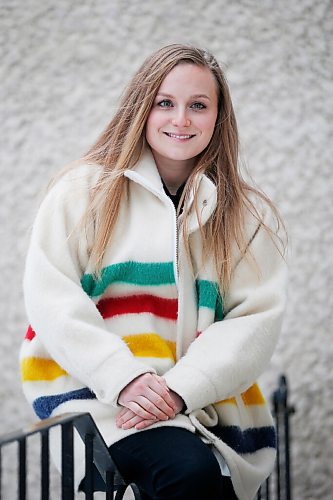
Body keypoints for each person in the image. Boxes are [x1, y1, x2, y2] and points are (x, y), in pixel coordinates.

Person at [20, 44, 287, 500]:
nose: (180, 119)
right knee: (188, 474)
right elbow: (53, 301)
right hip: (99, 403)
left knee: (209, 480)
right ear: (141, 107)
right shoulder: (83, 192)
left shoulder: (244, 215)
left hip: (207, 408)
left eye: (198, 106)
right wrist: (124, 378)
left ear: (218, 117)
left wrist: (179, 390)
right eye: (165, 102)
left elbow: (252, 323)